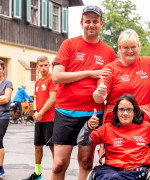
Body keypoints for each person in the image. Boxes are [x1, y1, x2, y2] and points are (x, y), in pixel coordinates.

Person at [49, 5, 116, 180]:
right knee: (59, 164)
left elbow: (118, 75)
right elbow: (56, 77)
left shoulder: (108, 52)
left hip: (93, 114)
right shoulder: (69, 44)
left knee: (86, 161)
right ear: (81, 23)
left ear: (101, 24)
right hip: (65, 112)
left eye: (95, 21)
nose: (91, 24)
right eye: (87, 21)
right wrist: (89, 73)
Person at [77, 94, 150, 180]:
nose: (125, 113)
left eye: (129, 110)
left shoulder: (146, 127)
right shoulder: (107, 128)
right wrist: (89, 126)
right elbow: (82, 141)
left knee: (119, 177)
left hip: (138, 170)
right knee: (106, 175)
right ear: (116, 112)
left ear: (135, 112)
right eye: (121, 110)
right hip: (112, 169)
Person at [23, 56, 57, 180]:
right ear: (37, 67)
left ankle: (56, 173)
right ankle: (38, 173)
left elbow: (52, 98)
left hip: (50, 119)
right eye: (40, 65)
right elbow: (38, 99)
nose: (43, 68)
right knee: (37, 146)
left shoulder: (52, 79)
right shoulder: (37, 83)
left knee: (53, 147)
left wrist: (41, 112)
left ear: (49, 65)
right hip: (40, 119)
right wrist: (37, 112)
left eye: (45, 65)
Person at [0, 60, 13, 179]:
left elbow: (6, 99)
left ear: (3, 70)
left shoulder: (7, 83)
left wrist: (3, 98)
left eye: (0, 68)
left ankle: (0, 169)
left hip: (3, 115)